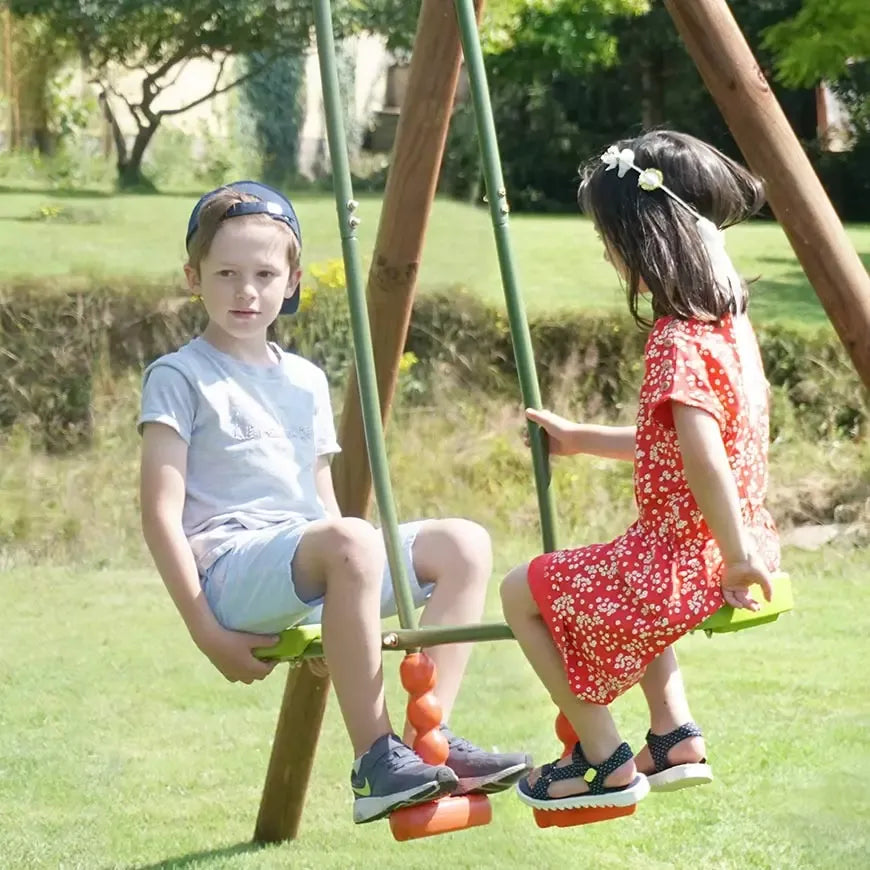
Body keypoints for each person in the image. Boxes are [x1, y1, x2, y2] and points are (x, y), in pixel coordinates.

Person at [138, 180, 531, 825]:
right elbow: (159, 513)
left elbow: (318, 499)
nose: (246, 291)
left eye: (264, 274)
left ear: (290, 282)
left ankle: (432, 741)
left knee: (463, 542)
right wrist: (206, 632)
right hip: (232, 569)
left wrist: (346, 588)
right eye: (227, 273)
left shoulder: (305, 381)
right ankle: (374, 762)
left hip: (306, 554)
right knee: (350, 538)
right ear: (193, 277)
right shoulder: (180, 377)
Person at [500, 131, 781, 812]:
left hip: (694, 562)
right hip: (723, 548)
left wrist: (738, 560)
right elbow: (685, 446)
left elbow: (705, 456)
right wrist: (581, 440)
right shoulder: (729, 329)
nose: (605, 250)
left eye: (610, 236)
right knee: (619, 571)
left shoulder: (675, 339)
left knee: (520, 592)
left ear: (645, 238)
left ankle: (603, 759)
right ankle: (673, 733)